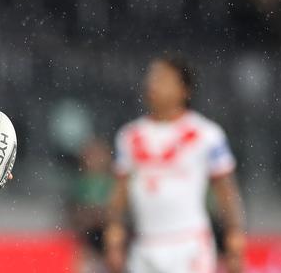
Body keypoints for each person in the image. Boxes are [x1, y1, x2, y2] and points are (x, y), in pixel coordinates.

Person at [104, 55, 245, 273]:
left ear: (184, 90)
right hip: (144, 246)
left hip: (189, 245)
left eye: (163, 78)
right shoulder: (129, 136)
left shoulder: (207, 134)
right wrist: (113, 239)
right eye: (151, 77)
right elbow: (119, 195)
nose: (153, 84)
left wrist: (234, 240)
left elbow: (226, 193)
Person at [67, 137, 115, 273]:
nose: (94, 160)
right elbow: (75, 212)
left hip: (108, 238)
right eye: (90, 156)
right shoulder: (81, 183)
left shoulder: (112, 181)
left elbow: (116, 210)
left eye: (98, 156)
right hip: (88, 240)